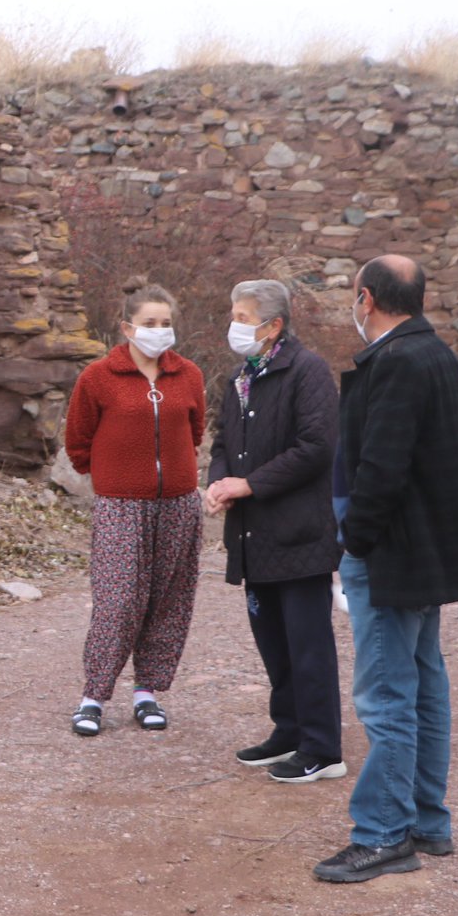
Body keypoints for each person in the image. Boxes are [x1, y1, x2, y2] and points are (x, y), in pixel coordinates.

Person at [313, 255, 458, 884]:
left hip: (391, 551)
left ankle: (384, 834)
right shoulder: (434, 353)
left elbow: (381, 468)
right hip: (422, 550)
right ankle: (425, 821)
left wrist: (351, 542)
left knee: (386, 692)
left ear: (366, 299)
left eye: (352, 297)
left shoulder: (397, 361)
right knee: (422, 679)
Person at [203, 280, 346, 784]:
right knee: (273, 642)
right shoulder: (242, 375)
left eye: (244, 317)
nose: (235, 326)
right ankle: (288, 730)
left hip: (299, 535)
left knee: (307, 644)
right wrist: (218, 482)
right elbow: (223, 439)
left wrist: (249, 485)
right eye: (235, 314)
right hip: (253, 536)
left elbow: (315, 448)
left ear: (274, 325)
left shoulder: (307, 372)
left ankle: (323, 747)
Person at [64, 284, 205, 737]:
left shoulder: (189, 375)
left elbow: (195, 430)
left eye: (166, 324)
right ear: (127, 328)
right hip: (121, 507)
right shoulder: (99, 377)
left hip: (179, 504)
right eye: (149, 323)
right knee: (118, 600)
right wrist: (114, 477)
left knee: (168, 599)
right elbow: (77, 441)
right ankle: (93, 696)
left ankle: (147, 692)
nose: (159, 332)